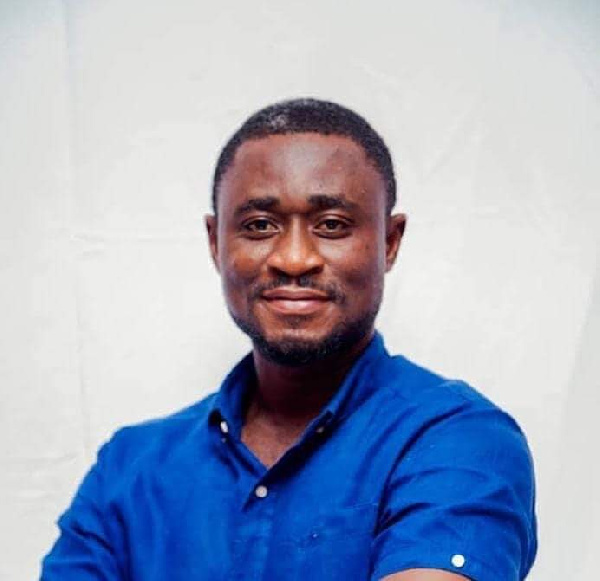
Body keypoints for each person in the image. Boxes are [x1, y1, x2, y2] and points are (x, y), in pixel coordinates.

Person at [41, 98, 537, 580]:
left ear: (390, 242)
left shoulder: (461, 440)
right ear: (215, 242)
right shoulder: (129, 468)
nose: (294, 259)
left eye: (332, 225)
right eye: (259, 226)